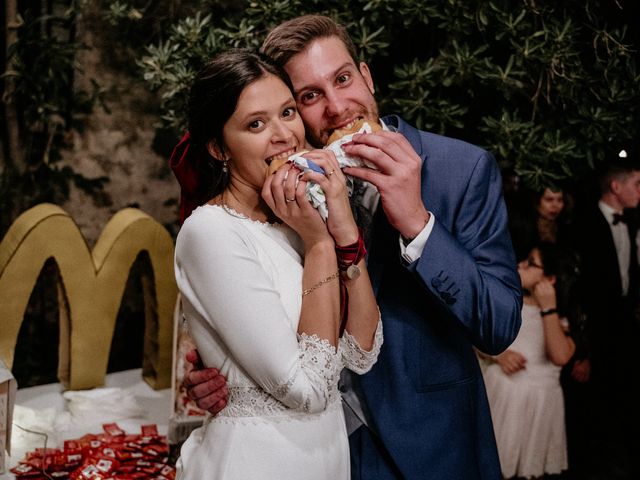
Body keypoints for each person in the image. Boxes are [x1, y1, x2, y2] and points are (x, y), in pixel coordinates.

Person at [178, 15, 522, 479]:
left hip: (430, 449)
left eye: (342, 79)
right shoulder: (277, 196)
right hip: (312, 453)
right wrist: (228, 370)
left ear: (367, 74)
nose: (337, 107)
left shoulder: (461, 168)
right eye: (309, 97)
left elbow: (499, 325)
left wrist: (419, 225)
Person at [172, 49, 382, 479]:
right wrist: (321, 244)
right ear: (218, 148)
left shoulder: (294, 222)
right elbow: (307, 390)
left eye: (287, 112)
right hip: (255, 462)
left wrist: (341, 229)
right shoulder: (211, 233)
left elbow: (362, 350)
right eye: (255, 124)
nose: (284, 134)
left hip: (325, 458)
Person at [481, 242, 576, 479]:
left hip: (540, 402)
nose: (519, 265)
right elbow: (475, 338)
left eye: (530, 264)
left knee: (527, 470)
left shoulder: (561, 314)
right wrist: (499, 355)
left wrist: (548, 308)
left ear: (550, 278)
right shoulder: (507, 299)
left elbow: (560, 356)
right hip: (504, 395)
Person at [575, 151, 640, 479]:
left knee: (623, 395)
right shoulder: (584, 222)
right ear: (616, 186)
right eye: (638, 185)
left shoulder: (632, 223)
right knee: (594, 402)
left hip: (625, 328)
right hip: (594, 330)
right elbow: (578, 286)